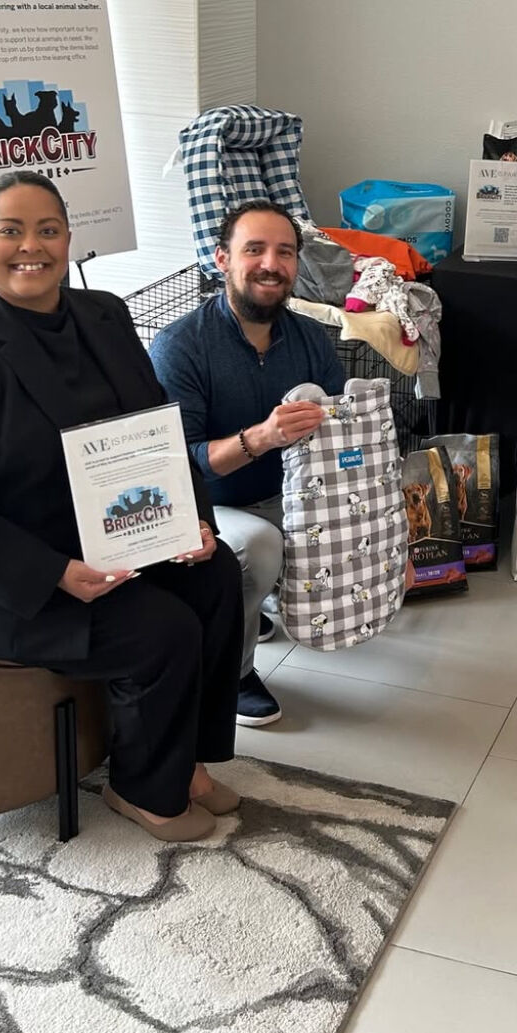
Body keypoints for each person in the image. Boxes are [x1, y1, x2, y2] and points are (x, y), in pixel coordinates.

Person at [0, 172, 244, 843]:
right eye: (10, 230)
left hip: (101, 534)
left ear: (68, 240)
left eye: (47, 230)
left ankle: (186, 764)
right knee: (161, 627)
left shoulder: (103, 315)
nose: (32, 246)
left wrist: (192, 520)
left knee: (216, 575)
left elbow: (155, 430)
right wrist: (53, 571)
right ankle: (142, 789)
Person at [149, 201, 345, 726]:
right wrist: (262, 437)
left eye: (284, 252)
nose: (270, 264)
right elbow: (178, 465)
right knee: (259, 545)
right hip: (207, 506)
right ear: (221, 259)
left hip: (288, 495)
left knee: (340, 538)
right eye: (253, 249)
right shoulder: (180, 347)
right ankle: (231, 676)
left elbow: (344, 436)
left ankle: (250, 606)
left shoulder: (310, 339)